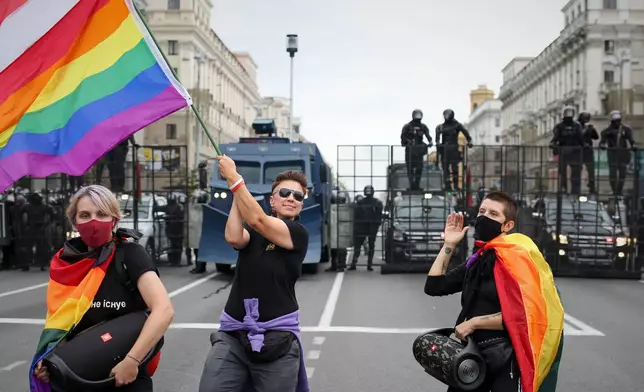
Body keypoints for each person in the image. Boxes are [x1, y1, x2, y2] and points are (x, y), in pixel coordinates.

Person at [30, 185, 174, 392]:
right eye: (85, 215)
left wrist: (132, 360)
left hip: (126, 374)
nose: (94, 221)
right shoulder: (65, 265)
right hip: (82, 374)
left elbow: (164, 310)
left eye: (102, 214)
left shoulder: (130, 254)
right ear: (75, 222)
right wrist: (50, 359)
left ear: (114, 220)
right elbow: (60, 325)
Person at [424, 191, 564, 392]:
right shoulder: (479, 259)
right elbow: (434, 286)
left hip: (505, 358)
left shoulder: (518, 261)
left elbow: (525, 314)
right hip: (470, 357)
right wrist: (449, 244)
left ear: (508, 225)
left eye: (493, 214)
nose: (484, 217)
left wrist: (474, 322)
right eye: (482, 211)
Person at [198, 156, 310, 392]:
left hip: (277, 339)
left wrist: (235, 179)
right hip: (233, 333)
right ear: (272, 199)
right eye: (285, 193)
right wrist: (239, 194)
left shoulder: (297, 233)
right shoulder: (254, 229)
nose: (291, 198)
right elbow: (234, 237)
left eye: (298, 196)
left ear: (301, 205)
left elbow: (259, 220)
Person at [600, 110, 637, 196]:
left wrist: (634, 145)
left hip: (623, 154)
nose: (617, 123)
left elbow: (631, 140)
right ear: (611, 121)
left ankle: (619, 191)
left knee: (622, 174)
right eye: (615, 121)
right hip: (612, 154)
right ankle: (614, 190)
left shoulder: (626, 129)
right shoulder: (606, 131)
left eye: (618, 121)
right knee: (612, 174)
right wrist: (602, 145)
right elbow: (602, 141)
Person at [549, 106, 584, 194]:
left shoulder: (577, 126)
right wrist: (554, 146)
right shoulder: (559, 127)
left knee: (576, 173)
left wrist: (584, 146)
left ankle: (575, 189)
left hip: (575, 153)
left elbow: (581, 139)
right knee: (562, 172)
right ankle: (563, 188)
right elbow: (554, 139)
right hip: (564, 153)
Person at [435, 109, 473, 191]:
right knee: (445, 168)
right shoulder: (440, 127)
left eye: (447, 114)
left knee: (455, 168)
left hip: (454, 149)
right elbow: (437, 139)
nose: (446, 116)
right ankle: (447, 185)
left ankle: (456, 185)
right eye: (445, 115)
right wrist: (438, 144)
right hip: (444, 150)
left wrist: (469, 141)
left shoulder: (457, 125)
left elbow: (466, 133)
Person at [349, 185, 383, 271]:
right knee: (367, 246)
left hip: (365, 226)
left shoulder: (363, 203)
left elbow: (379, 216)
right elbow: (379, 217)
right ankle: (367, 264)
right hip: (367, 226)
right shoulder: (376, 203)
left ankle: (356, 263)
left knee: (359, 246)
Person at [401, 109, 433, 190]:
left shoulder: (423, 126)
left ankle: (417, 184)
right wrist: (408, 142)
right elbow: (403, 137)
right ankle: (412, 185)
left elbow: (428, 135)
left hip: (419, 151)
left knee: (419, 168)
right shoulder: (407, 126)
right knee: (410, 169)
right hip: (410, 151)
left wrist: (430, 141)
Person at [579, 111, 599, 193]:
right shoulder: (577, 127)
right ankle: (577, 185)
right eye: (585, 120)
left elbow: (596, 137)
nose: (586, 121)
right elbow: (578, 137)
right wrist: (586, 130)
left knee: (591, 169)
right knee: (577, 169)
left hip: (588, 150)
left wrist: (592, 130)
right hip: (579, 150)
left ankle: (592, 185)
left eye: (587, 120)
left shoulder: (588, 127)